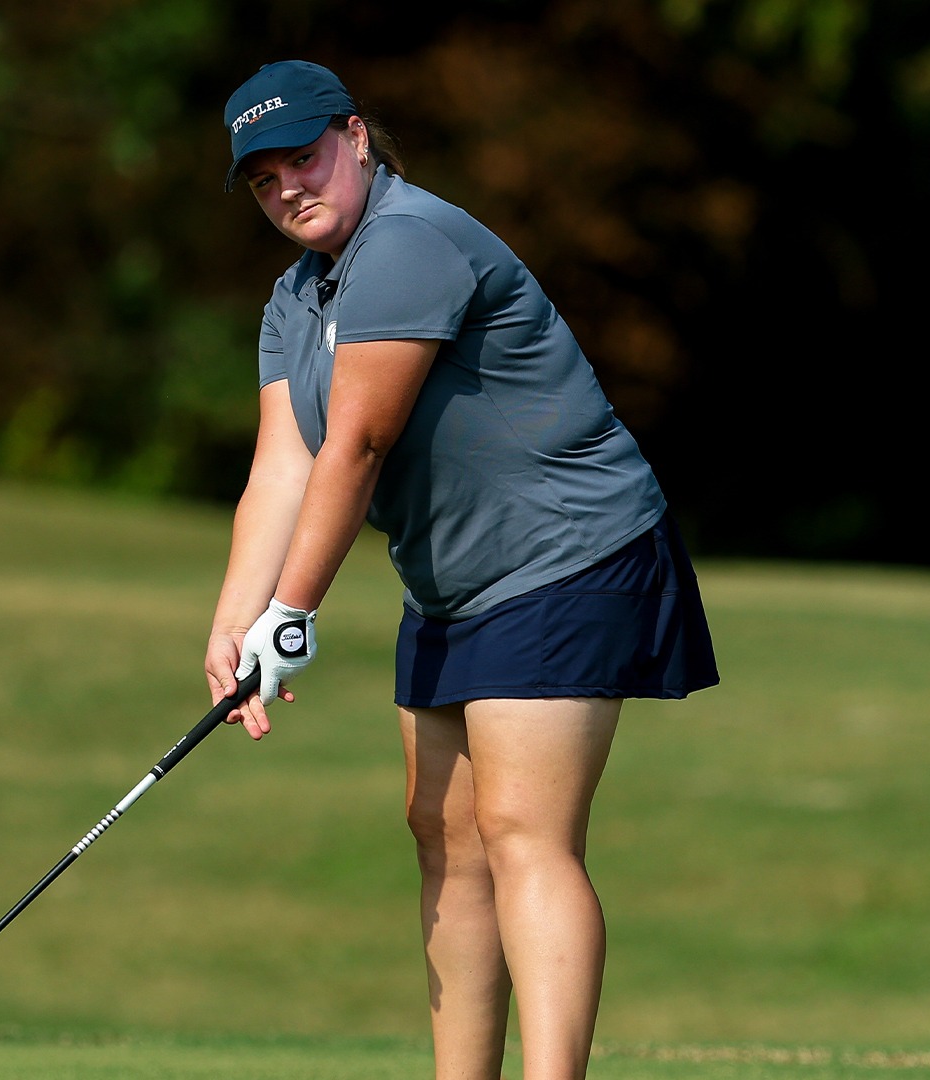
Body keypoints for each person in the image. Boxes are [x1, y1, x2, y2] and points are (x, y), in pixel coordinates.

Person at [202, 60, 719, 1080]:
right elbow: (282, 468)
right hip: (452, 585)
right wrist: (233, 624)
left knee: (524, 830)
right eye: (264, 180)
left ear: (355, 137)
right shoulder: (296, 298)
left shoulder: (408, 243)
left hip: (567, 554)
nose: (288, 189)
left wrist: (292, 612)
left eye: (302, 160)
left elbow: (357, 446)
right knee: (444, 835)